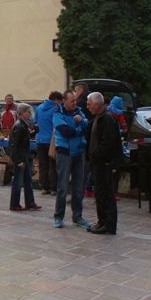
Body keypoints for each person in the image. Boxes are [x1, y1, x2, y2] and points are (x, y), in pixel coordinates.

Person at [52, 89, 90, 229]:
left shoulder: (79, 112)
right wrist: (79, 128)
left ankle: (77, 217)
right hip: (64, 153)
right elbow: (66, 132)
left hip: (79, 153)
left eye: (75, 100)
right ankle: (58, 217)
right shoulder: (57, 114)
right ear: (64, 101)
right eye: (72, 101)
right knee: (62, 187)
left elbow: (87, 126)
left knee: (78, 187)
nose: (75, 103)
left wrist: (81, 124)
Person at [85, 92, 121, 234]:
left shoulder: (107, 119)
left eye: (89, 104)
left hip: (103, 163)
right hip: (97, 163)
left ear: (97, 104)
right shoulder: (97, 118)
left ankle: (108, 224)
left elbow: (107, 143)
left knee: (105, 194)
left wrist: (95, 156)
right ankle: (102, 222)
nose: (87, 106)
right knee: (100, 194)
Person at [9, 103, 41, 212]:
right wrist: (18, 160)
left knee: (28, 180)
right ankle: (14, 204)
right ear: (22, 112)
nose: (30, 114)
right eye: (28, 112)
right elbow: (13, 145)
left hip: (25, 156)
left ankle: (30, 203)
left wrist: (35, 130)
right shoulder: (19, 125)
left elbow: (26, 137)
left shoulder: (24, 124)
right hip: (21, 158)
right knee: (18, 182)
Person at [34, 91, 62, 195]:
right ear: (56, 100)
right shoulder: (56, 109)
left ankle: (44, 187)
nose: (60, 103)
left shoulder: (39, 108)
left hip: (40, 140)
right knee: (53, 165)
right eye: (59, 101)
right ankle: (53, 188)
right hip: (52, 141)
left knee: (43, 165)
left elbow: (35, 122)